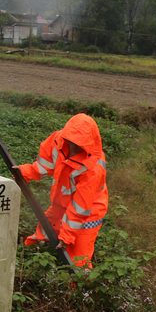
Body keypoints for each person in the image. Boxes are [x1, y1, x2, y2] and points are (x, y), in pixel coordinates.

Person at [14, 113, 108, 267]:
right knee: (43, 232)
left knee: (78, 261)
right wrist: (25, 172)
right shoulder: (58, 141)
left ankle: (79, 288)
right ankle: (24, 263)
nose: (72, 147)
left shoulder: (93, 168)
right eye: (70, 142)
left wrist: (67, 236)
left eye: (78, 145)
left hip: (88, 214)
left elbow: (81, 207)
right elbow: (46, 165)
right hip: (61, 203)